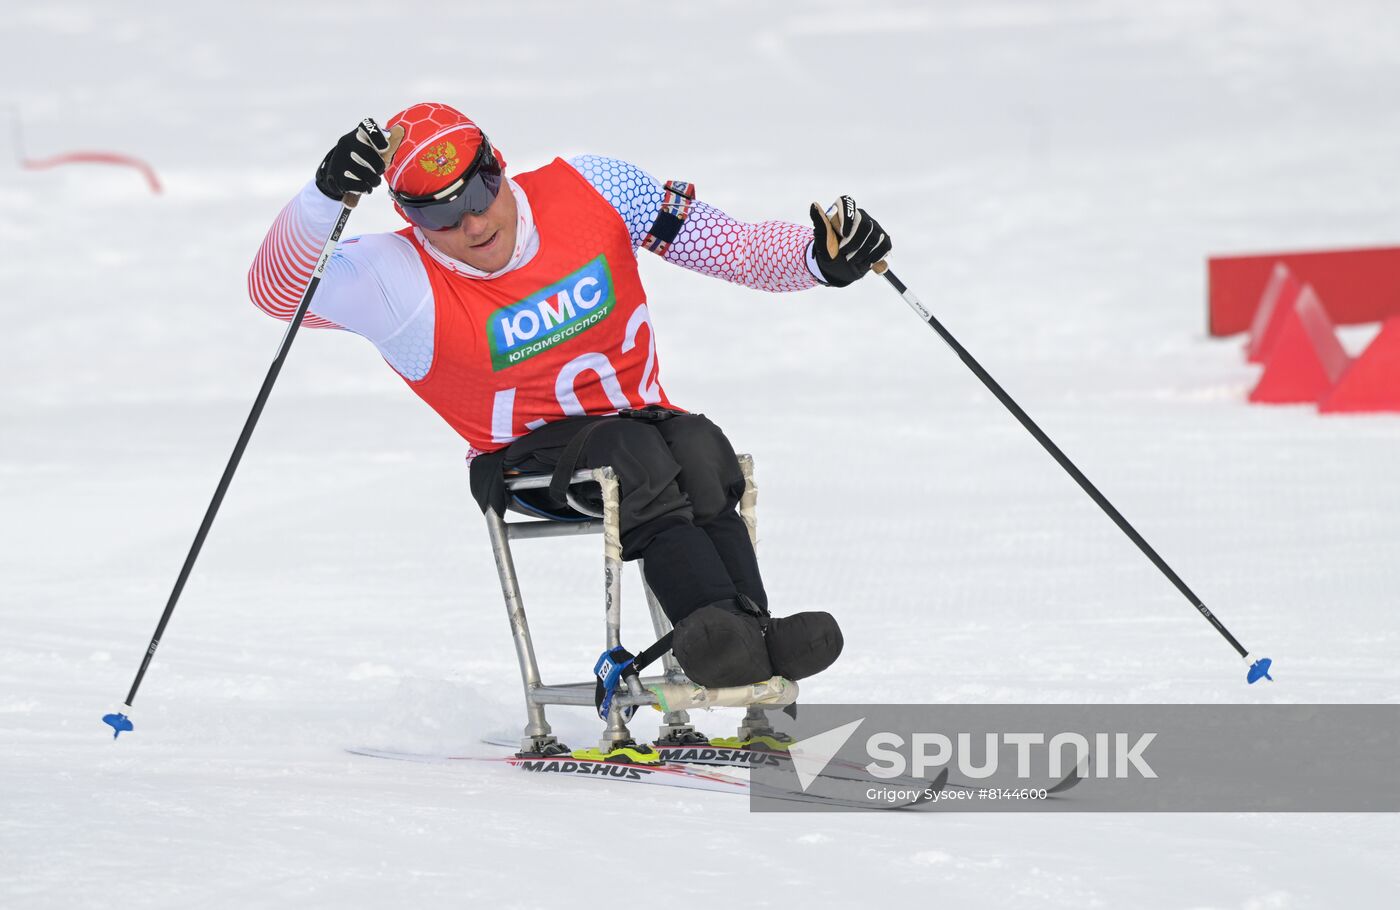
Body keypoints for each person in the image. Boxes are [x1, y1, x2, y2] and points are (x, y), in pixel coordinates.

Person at [248, 102, 890, 696]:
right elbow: (274, 290)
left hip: (648, 430)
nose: (470, 223)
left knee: (699, 443)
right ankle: (716, 637)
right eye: (438, 215)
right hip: (520, 462)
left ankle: (752, 633)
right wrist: (323, 196)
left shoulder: (593, 187)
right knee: (632, 453)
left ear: (499, 166)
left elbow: (725, 245)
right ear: (407, 218)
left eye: (477, 193)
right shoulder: (395, 276)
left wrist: (818, 259)